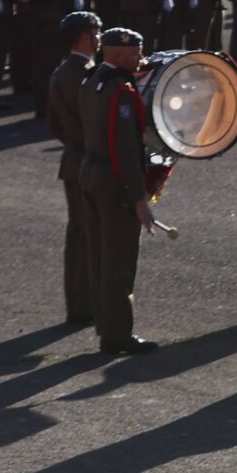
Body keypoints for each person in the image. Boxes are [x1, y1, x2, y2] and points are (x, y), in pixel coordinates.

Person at [78, 27, 159, 355]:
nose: (141, 56)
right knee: (119, 261)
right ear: (119, 54)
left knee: (100, 256)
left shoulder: (92, 79)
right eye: (136, 51)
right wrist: (139, 199)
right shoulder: (122, 92)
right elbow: (126, 149)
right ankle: (117, 336)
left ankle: (106, 325)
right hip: (114, 185)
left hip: (91, 176)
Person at [44, 11, 100, 326]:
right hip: (89, 162)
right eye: (97, 32)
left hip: (73, 161)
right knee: (89, 234)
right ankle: (87, 304)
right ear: (85, 36)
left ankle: (80, 304)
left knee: (79, 234)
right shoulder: (86, 74)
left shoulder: (62, 72)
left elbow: (54, 123)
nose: (99, 37)